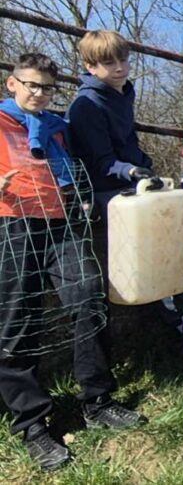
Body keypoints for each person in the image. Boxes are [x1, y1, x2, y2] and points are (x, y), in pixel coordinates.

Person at [1, 53, 144, 471]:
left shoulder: (57, 127)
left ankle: (97, 400)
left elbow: (72, 167)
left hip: (61, 225)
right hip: (11, 226)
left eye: (46, 87)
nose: (39, 93)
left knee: (89, 301)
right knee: (17, 320)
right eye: (31, 85)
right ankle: (32, 423)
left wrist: (78, 192)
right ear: (12, 84)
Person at [67, 30, 183, 361]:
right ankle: (179, 326)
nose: (120, 68)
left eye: (123, 59)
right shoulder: (86, 105)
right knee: (154, 250)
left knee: (175, 241)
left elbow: (129, 143)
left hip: (130, 180)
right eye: (109, 63)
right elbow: (102, 161)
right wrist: (134, 171)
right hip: (103, 188)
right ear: (90, 66)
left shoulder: (123, 93)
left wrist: (145, 167)